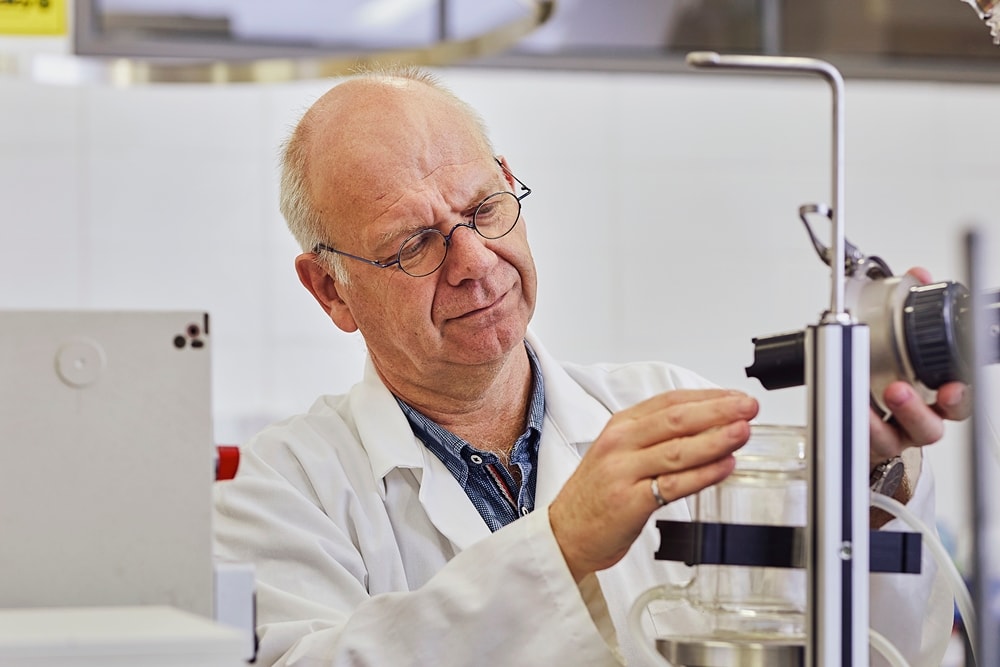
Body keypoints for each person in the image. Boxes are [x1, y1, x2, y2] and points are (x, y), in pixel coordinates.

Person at [212, 65, 969, 667]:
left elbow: (873, 647)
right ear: (330, 288)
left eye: (483, 209)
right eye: (414, 243)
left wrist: (870, 478)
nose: (475, 262)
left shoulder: (665, 408)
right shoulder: (283, 490)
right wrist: (560, 545)